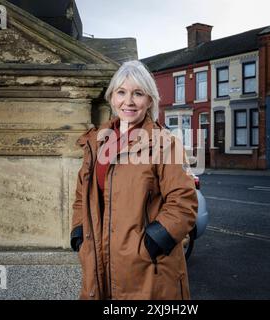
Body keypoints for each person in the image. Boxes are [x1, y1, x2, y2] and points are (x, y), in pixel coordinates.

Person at [70, 60, 198, 300]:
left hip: (147, 271)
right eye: (121, 92)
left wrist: (150, 245)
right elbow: (82, 195)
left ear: (149, 101)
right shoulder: (96, 142)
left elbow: (183, 203)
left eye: (137, 93)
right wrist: (79, 233)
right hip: (98, 263)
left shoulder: (163, 143)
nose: (128, 101)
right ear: (112, 97)